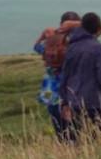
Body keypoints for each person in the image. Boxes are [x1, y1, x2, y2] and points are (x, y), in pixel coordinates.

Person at [58, 12, 101, 138]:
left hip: (73, 102)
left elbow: (65, 76)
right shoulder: (100, 49)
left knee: (79, 143)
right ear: (98, 29)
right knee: (99, 142)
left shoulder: (72, 47)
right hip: (95, 103)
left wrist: (65, 102)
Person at [33, 11, 82, 140]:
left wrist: (43, 35)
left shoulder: (51, 42)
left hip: (51, 88)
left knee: (57, 123)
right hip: (70, 87)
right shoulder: (76, 42)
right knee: (75, 124)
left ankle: (63, 146)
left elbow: (37, 47)